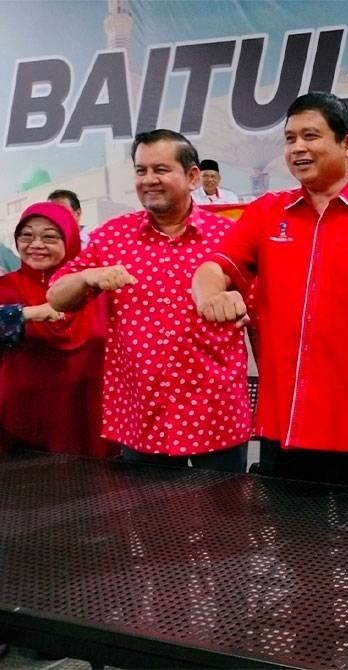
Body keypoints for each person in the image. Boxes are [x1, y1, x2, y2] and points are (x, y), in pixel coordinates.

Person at [192, 92, 348, 488]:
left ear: (347, 144)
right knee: (288, 546)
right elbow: (214, 268)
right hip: (283, 428)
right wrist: (212, 295)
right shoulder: (266, 213)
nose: (297, 148)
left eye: (310, 136)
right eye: (290, 138)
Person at [48, 129, 251, 473]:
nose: (149, 180)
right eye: (141, 171)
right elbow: (57, 297)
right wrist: (86, 277)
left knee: (225, 520)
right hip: (142, 415)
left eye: (160, 170)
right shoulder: (112, 236)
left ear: (192, 176)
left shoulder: (230, 236)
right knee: (149, 523)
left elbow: (260, 312)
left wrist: (237, 304)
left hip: (216, 413)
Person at [0, 202, 111, 458]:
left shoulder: (97, 292)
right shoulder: (5, 289)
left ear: (70, 239)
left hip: (90, 425)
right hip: (18, 429)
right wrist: (26, 314)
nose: (36, 244)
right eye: (26, 235)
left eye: (49, 236)